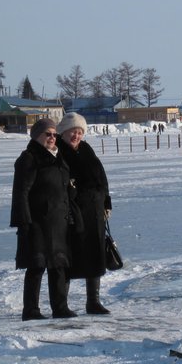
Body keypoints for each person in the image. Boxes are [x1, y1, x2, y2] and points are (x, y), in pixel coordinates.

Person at [10, 118, 77, 321]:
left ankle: (60, 307)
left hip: (58, 221)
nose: (52, 138)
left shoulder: (58, 157)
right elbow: (21, 193)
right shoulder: (29, 158)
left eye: (54, 134)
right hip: (37, 222)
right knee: (36, 265)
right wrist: (24, 222)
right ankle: (30, 310)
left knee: (58, 265)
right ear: (36, 136)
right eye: (47, 134)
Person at [57, 112, 113, 315]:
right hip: (73, 213)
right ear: (63, 132)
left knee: (94, 256)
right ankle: (61, 304)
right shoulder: (58, 152)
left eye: (80, 132)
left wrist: (107, 203)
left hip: (95, 213)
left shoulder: (87, 149)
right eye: (73, 131)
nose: (76, 136)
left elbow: (101, 178)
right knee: (69, 258)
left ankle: (93, 302)